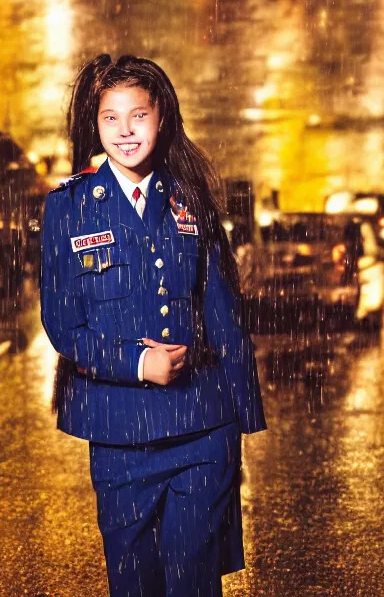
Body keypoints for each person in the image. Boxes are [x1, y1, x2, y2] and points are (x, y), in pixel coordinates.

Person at [41, 54, 265, 597]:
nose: (125, 132)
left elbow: (223, 315)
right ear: (94, 125)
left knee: (194, 579)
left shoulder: (191, 201)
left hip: (202, 427)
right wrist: (141, 363)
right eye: (110, 118)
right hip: (121, 435)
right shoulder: (67, 209)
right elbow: (62, 323)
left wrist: (244, 417)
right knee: (134, 581)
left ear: (161, 117)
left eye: (137, 116)